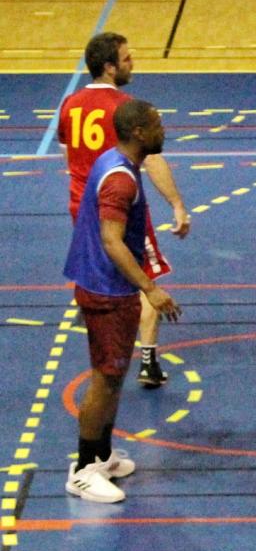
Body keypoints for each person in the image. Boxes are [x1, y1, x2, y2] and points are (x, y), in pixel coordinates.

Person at [63, 99, 182, 504]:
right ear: (139, 133)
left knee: (113, 376)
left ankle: (101, 456)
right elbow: (112, 241)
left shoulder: (116, 161)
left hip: (108, 286)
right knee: (105, 378)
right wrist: (151, 288)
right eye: (158, 124)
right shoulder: (121, 180)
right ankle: (83, 471)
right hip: (106, 290)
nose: (164, 130)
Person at [58, 32, 190, 388]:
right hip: (118, 206)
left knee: (101, 270)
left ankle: (98, 322)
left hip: (82, 207)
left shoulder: (70, 104)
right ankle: (148, 361)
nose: (133, 63)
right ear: (109, 67)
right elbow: (152, 160)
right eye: (127, 58)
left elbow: (67, 153)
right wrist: (177, 204)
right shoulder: (125, 109)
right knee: (144, 277)